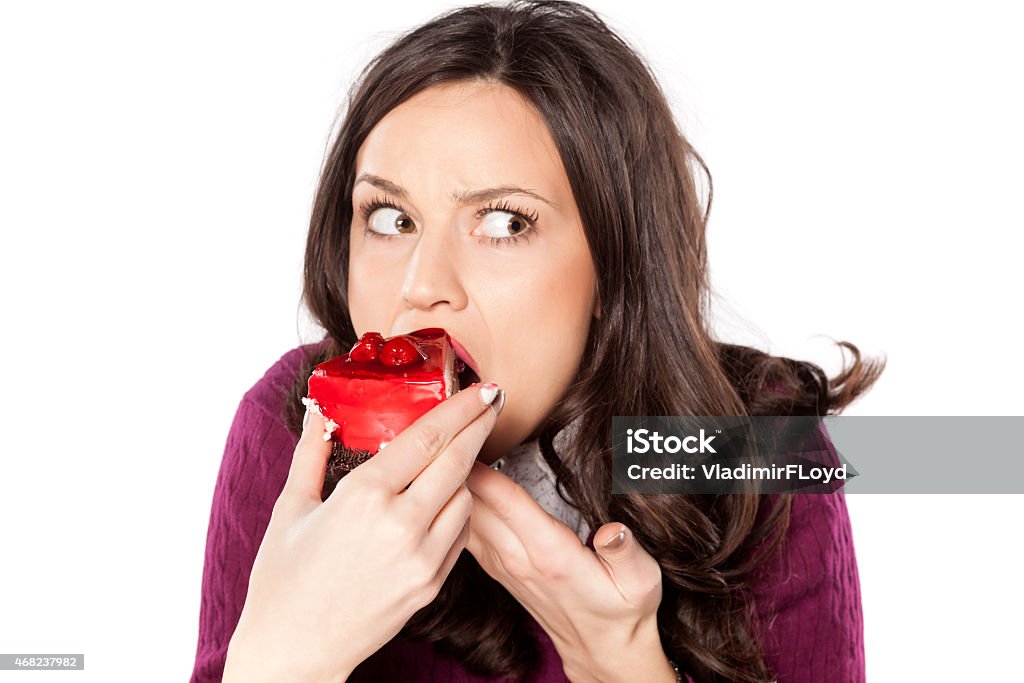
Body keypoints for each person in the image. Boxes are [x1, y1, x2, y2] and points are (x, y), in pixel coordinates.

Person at [190, 2, 885, 681]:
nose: (420, 284)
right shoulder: (294, 428)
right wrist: (285, 658)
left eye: (502, 224)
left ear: (615, 270)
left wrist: (620, 664)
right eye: (391, 217)